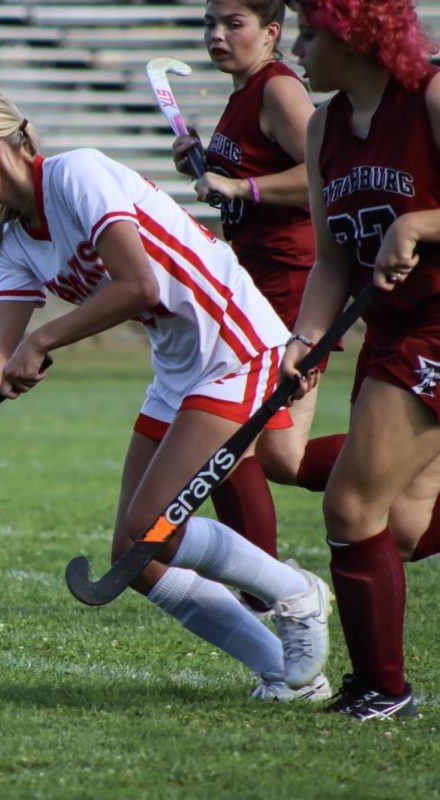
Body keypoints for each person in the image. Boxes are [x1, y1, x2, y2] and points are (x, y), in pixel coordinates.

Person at [0, 86, 333, 701]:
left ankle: (296, 593)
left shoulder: (77, 174)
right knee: (134, 558)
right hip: (178, 369)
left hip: (235, 342)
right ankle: (285, 671)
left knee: (153, 527)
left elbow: (138, 285)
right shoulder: (15, 245)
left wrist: (43, 341)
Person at [282, 0, 440, 720]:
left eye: (308, 34)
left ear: (353, 36)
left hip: (437, 330)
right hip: (389, 334)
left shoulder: (431, 96)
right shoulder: (323, 129)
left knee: (350, 506)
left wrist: (419, 222)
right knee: (399, 530)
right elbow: (331, 264)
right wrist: (304, 342)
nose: (297, 48)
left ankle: (383, 690)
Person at [171, 0, 342, 604]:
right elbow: (253, 178)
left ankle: (263, 588)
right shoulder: (244, 92)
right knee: (274, 454)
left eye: (233, 24)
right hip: (256, 285)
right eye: (210, 24)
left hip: (290, 285)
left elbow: (327, 169)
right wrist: (206, 165)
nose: (217, 35)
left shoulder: (276, 88)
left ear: (272, 32)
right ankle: (266, 585)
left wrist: (238, 183)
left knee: (239, 442)